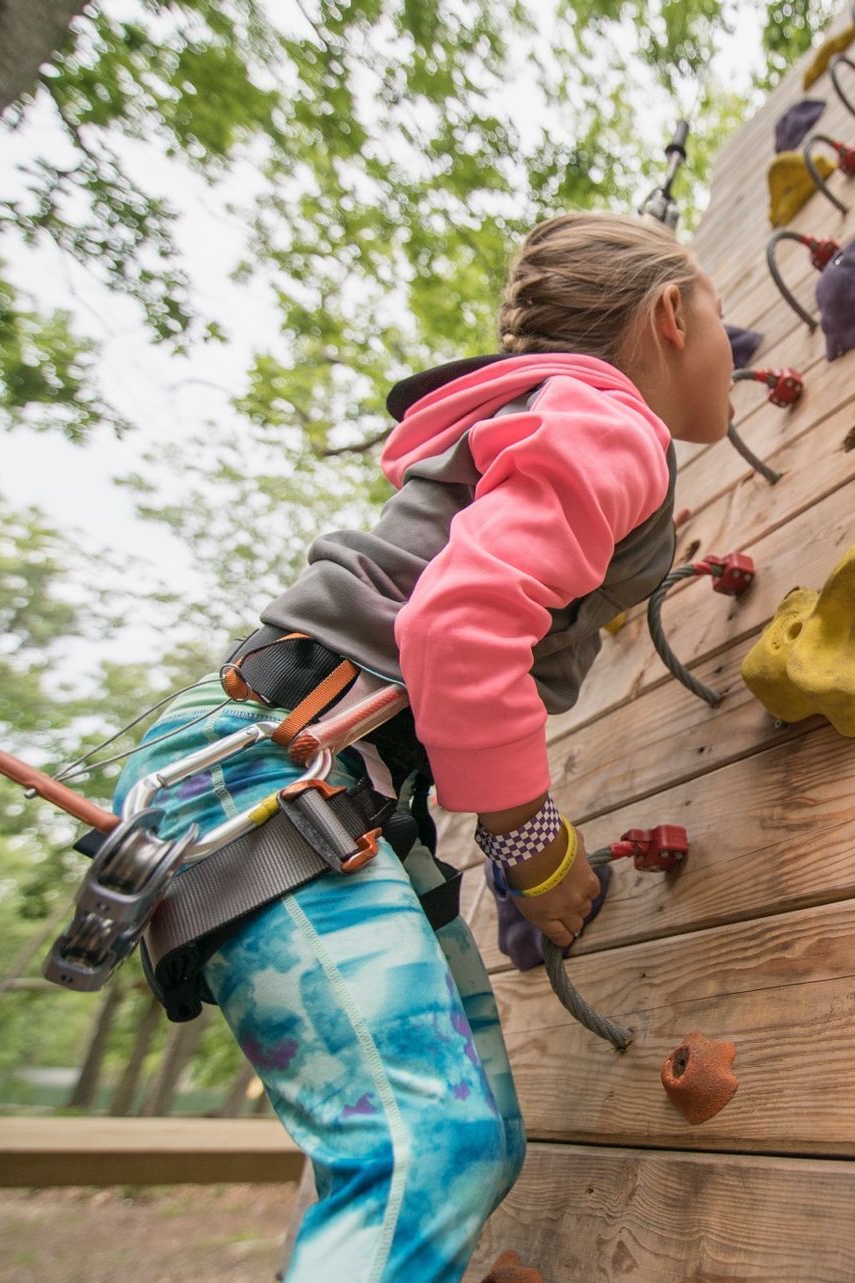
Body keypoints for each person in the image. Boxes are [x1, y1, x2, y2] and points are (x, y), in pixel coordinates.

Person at [108, 211, 734, 1282]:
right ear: (671, 313)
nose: (740, 347)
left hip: (329, 792)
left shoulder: (547, 426)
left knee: (477, 1137)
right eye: (727, 315)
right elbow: (458, 627)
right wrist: (534, 845)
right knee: (417, 1148)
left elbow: (487, 601)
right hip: (271, 778)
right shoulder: (611, 421)